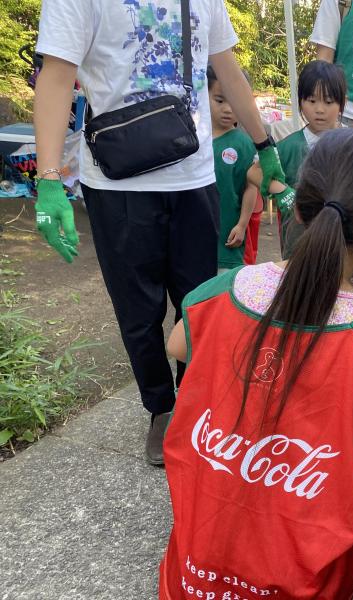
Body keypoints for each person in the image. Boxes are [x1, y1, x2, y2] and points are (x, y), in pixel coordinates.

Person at [159, 128, 353, 599]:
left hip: (202, 560)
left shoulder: (227, 292)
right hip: (301, 571)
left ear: (299, 210)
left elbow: (178, 345)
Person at [33, 0, 285, 465]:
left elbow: (226, 67)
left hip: (193, 176)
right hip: (116, 181)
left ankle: (192, 402)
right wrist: (48, 179)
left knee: (198, 303)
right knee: (138, 311)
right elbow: (56, 74)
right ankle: (161, 408)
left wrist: (263, 140)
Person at [273, 60, 347, 259]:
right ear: (300, 102)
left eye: (328, 102)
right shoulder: (289, 146)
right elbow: (256, 171)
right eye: (312, 101)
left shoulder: (351, 145)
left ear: (341, 102)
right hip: (297, 246)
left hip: (341, 243)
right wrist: (285, 195)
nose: (320, 109)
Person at [208, 65, 261, 272]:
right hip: (196, 237)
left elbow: (251, 188)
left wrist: (241, 225)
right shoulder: (194, 140)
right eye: (220, 100)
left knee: (225, 292)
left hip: (229, 239)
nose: (228, 109)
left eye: (235, 101)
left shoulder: (244, 144)